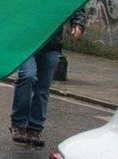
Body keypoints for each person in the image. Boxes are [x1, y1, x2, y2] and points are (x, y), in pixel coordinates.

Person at [11, 9, 86, 147]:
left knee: (42, 88)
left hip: (51, 44)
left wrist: (78, 23)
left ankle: (35, 128)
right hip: (27, 42)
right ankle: (19, 124)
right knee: (28, 76)